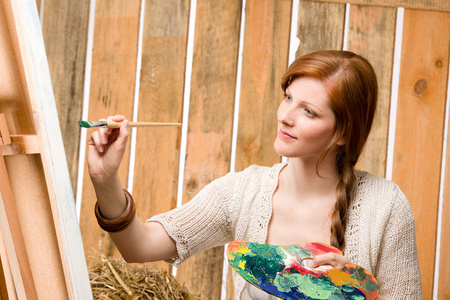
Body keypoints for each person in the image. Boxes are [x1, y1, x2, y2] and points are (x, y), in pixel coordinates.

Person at [87, 50, 423, 299]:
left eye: (308, 111)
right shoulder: (242, 192)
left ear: (344, 132)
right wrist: (105, 179)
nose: (286, 116)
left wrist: (352, 289)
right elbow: (140, 246)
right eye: (288, 98)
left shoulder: (386, 206)